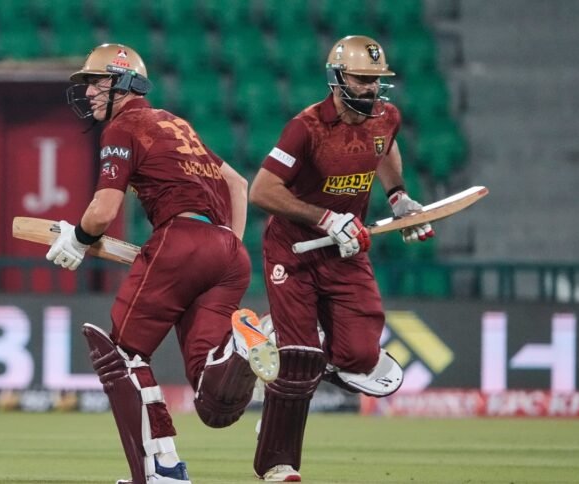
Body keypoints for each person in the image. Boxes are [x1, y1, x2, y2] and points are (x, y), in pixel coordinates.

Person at [47, 43, 279, 484]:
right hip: (229, 253)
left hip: (181, 240)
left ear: (124, 83)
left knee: (122, 355)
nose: (89, 91)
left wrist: (77, 238)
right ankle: (238, 348)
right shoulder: (174, 122)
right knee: (213, 399)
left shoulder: (123, 127)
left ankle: (161, 471)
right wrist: (228, 242)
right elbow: (236, 183)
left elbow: (102, 211)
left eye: (97, 82)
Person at [247, 35, 435, 481]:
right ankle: (277, 462)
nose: (371, 88)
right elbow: (261, 191)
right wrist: (326, 218)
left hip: (346, 251)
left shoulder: (386, 116)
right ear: (336, 78)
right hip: (293, 251)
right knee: (299, 359)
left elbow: (384, 146)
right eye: (361, 79)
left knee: (361, 356)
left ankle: (292, 345)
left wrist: (399, 197)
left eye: (375, 80)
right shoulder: (305, 127)